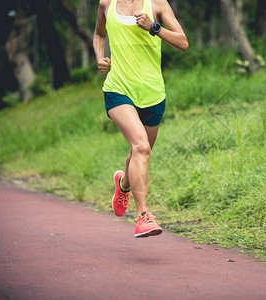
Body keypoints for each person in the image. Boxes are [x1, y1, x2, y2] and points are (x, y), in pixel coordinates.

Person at [93, 0, 188, 238]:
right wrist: (100, 57)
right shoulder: (106, 4)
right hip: (118, 90)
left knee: (140, 153)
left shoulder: (157, 4)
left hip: (153, 94)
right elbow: (98, 34)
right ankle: (143, 216)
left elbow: (183, 42)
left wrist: (154, 27)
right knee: (141, 147)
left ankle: (124, 183)